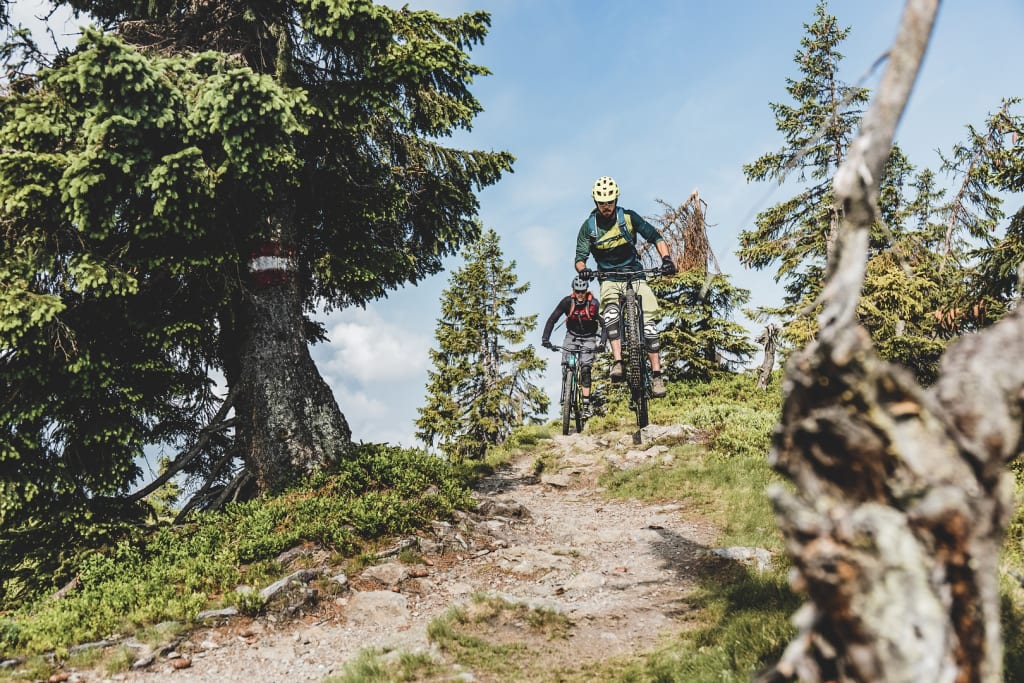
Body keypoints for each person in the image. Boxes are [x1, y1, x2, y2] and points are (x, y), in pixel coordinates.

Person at [574, 175, 677, 398]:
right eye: (602, 203)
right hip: (609, 278)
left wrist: (666, 259)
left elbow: (656, 237)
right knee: (611, 314)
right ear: (596, 202)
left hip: (636, 274)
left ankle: (657, 376)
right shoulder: (589, 227)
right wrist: (583, 269)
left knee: (649, 326)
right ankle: (618, 362)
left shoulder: (628, 218)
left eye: (610, 202)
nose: (606, 207)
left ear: (616, 199)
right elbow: (579, 258)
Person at [542, 276, 602, 418]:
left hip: (589, 337)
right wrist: (545, 339)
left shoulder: (593, 303)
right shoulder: (567, 302)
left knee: (586, 368)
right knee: (566, 365)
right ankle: (567, 392)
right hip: (572, 336)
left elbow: (604, 324)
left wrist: (603, 343)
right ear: (573, 291)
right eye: (577, 291)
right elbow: (552, 319)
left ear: (586, 291)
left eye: (583, 291)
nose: (580, 294)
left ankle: (586, 406)